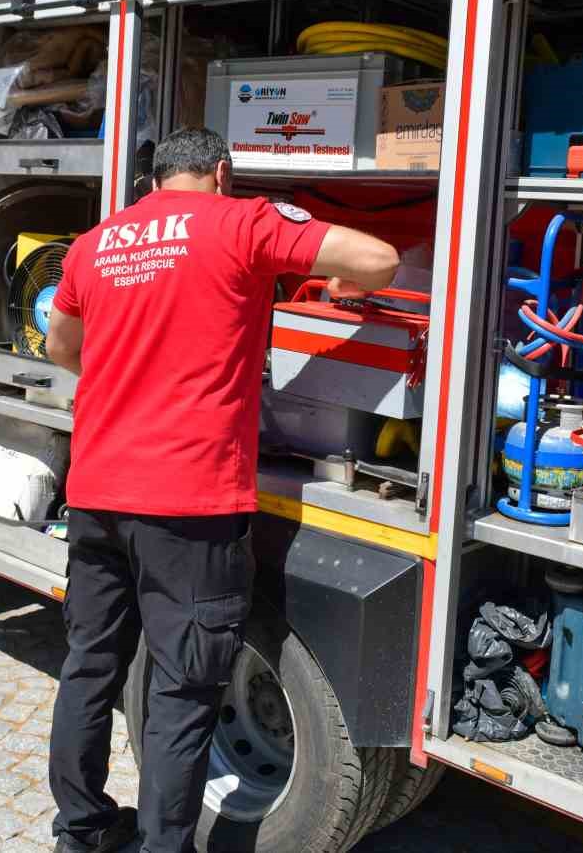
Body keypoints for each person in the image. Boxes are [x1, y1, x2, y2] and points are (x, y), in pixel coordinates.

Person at [43, 127, 400, 853]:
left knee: (90, 667)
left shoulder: (97, 243)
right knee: (181, 689)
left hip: (97, 490)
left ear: (154, 182)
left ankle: (80, 832)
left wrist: (132, 377)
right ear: (222, 173)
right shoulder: (240, 222)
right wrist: (347, 284)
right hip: (188, 502)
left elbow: (61, 347)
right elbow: (380, 258)